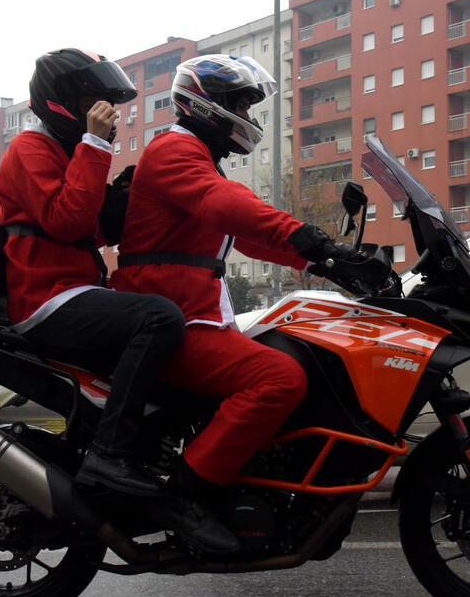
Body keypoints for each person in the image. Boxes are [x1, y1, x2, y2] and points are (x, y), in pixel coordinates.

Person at [111, 54, 360, 553]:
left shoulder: (195, 156)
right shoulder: (173, 150)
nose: (248, 115)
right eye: (241, 103)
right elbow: (224, 203)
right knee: (280, 378)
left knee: (292, 354)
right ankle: (186, 493)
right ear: (208, 104)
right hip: (175, 320)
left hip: (192, 316)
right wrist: (305, 236)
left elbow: (245, 238)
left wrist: (330, 263)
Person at [0, 48, 185, 499]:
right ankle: (110, 454)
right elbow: (68, 221)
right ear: (63, 102)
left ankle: (148, 450)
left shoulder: (65, 151)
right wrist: (96, 145)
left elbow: (95, 231)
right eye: (92, 105)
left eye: (107, 106)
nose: (106, 116)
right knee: (159, 318)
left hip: (77, 288)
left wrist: (130, 194)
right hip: (46, 297)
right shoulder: (30, 148)